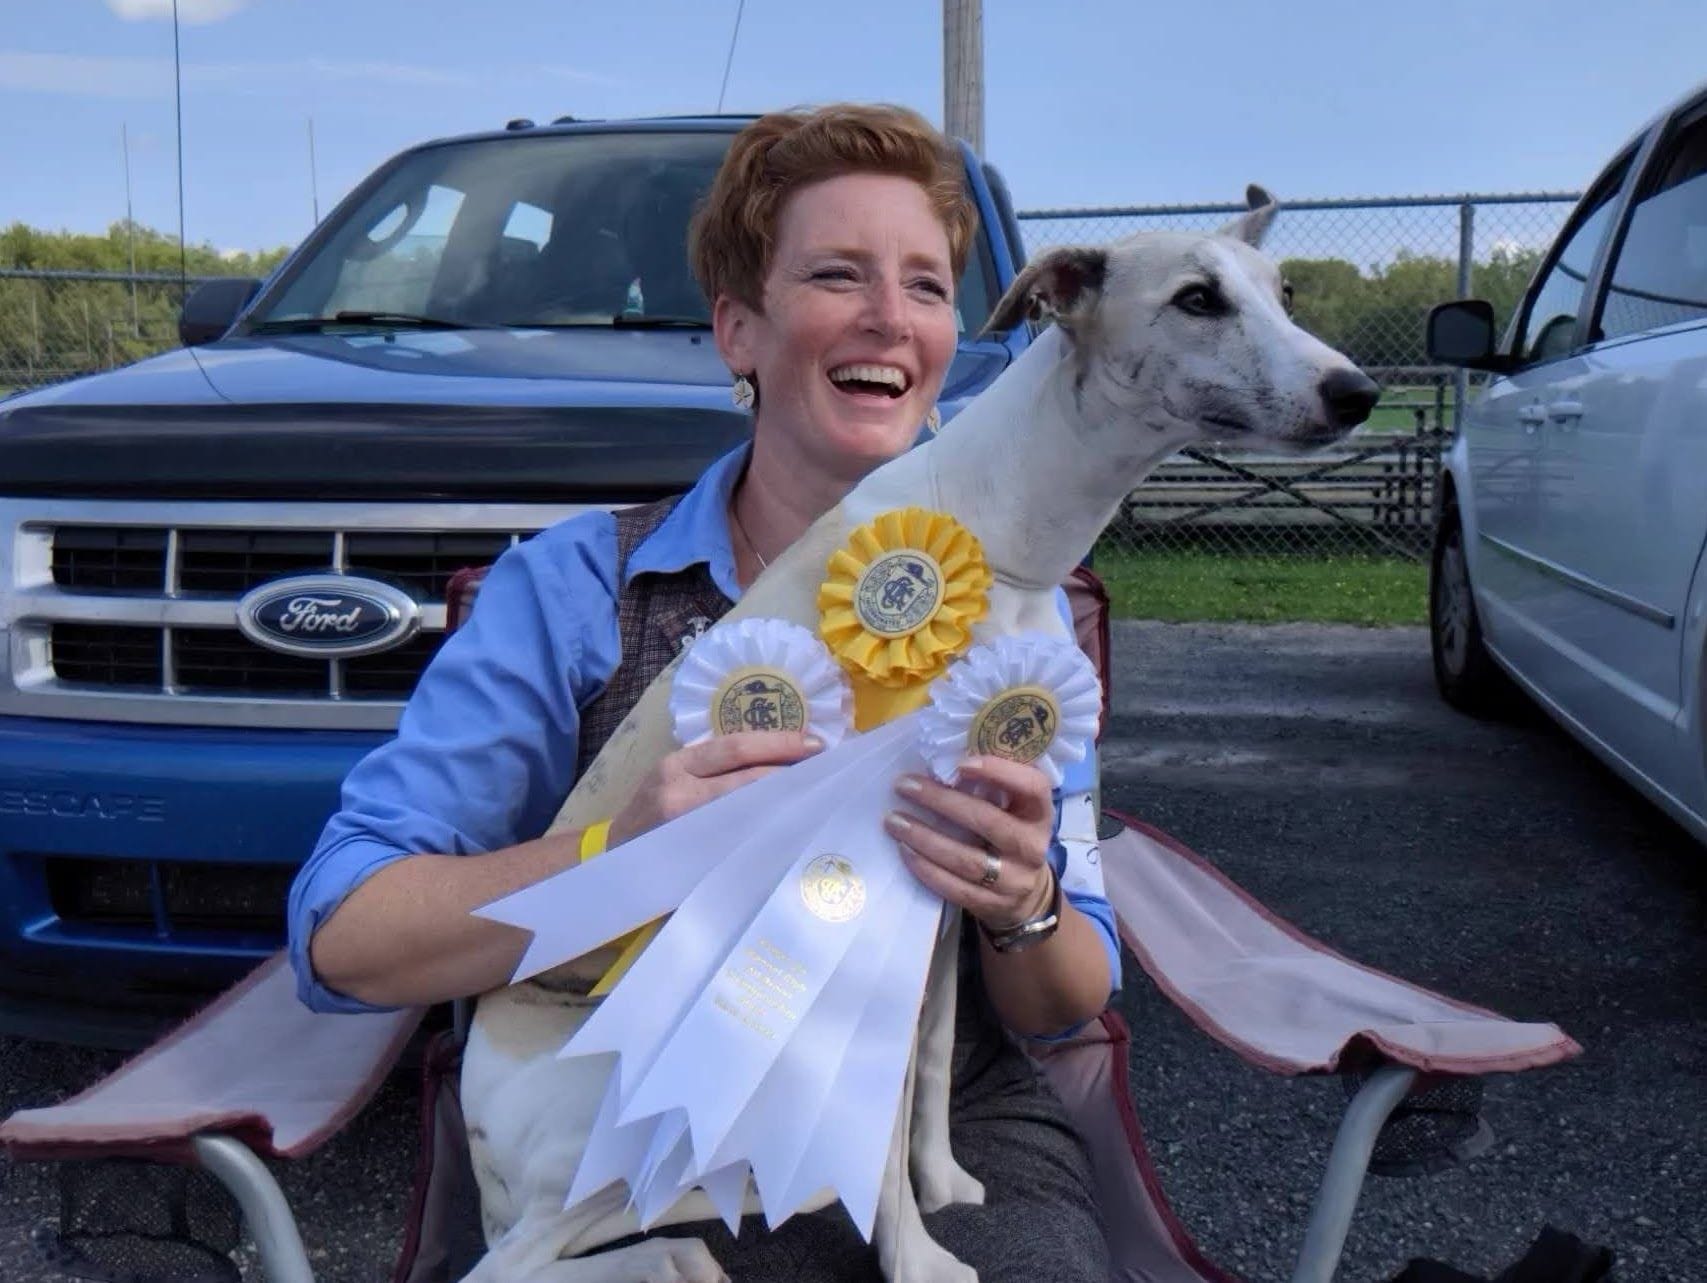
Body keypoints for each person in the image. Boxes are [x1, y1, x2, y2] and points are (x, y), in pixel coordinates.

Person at [288, 103, 1116, 1282]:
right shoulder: (574, 588)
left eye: (928, 285)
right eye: (838, 274)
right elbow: (346, 935)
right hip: (622, 1100)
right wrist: (620, 853)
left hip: (939, 1133)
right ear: (738, 329)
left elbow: (1062, 1001)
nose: (891, 317)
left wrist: (1021, 895)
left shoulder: (1020, 626)